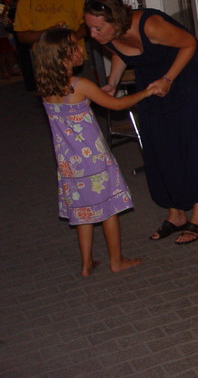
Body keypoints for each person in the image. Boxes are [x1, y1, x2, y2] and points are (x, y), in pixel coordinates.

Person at [84, 0, 198, 244]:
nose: (92, 34)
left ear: (115, 21)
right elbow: (120, 52)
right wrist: (112, 83)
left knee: (191, 141)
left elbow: (189, 44)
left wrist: (168, 79)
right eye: (89, 28)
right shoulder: (107, 35)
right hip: (152, 80)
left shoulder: (150, 25)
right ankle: (176, 214)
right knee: (159, 142)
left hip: (186, 76)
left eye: (97, 28)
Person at [33, 28, 150, 277]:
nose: (80, 50)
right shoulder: (80, 85)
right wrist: (147, 91)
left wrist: (96, 95)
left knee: (83, 212)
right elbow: (118, 104)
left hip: (69, 164)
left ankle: (86, 263)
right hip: (94, 161)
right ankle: (116, 260)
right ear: (63, 55)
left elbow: (80, 104)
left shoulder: (47, 88)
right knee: (109, 210)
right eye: (75, 47)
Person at [14, 0, 87, 91]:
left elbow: (86, 24)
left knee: (83, 94)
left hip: (75, 58)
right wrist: (49, 34)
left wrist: (69, 41)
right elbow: (22, 36)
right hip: (47, 62)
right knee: (54, 98)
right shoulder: (27, 0)